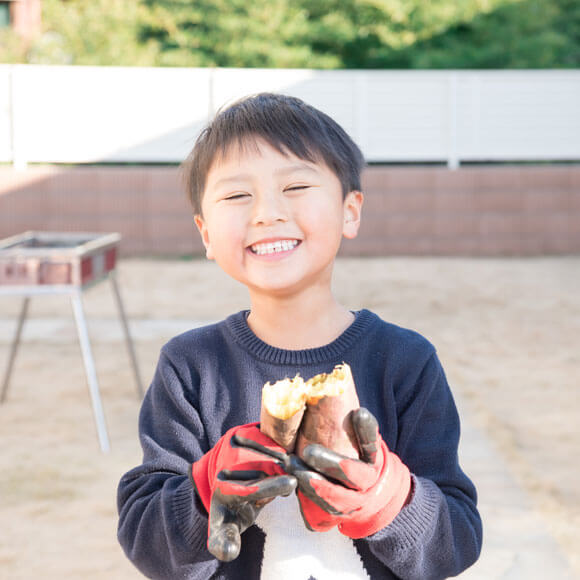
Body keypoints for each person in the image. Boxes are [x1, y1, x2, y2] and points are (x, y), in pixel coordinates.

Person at [117, 93, 482, 579]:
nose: (266, 212)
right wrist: (207, 490)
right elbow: (146, 539)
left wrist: (385, 495)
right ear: (205, 233)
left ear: (350, 211)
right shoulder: (190, 366)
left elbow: (455, 543)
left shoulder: (404, 360)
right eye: (236, 195)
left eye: (295, 186)